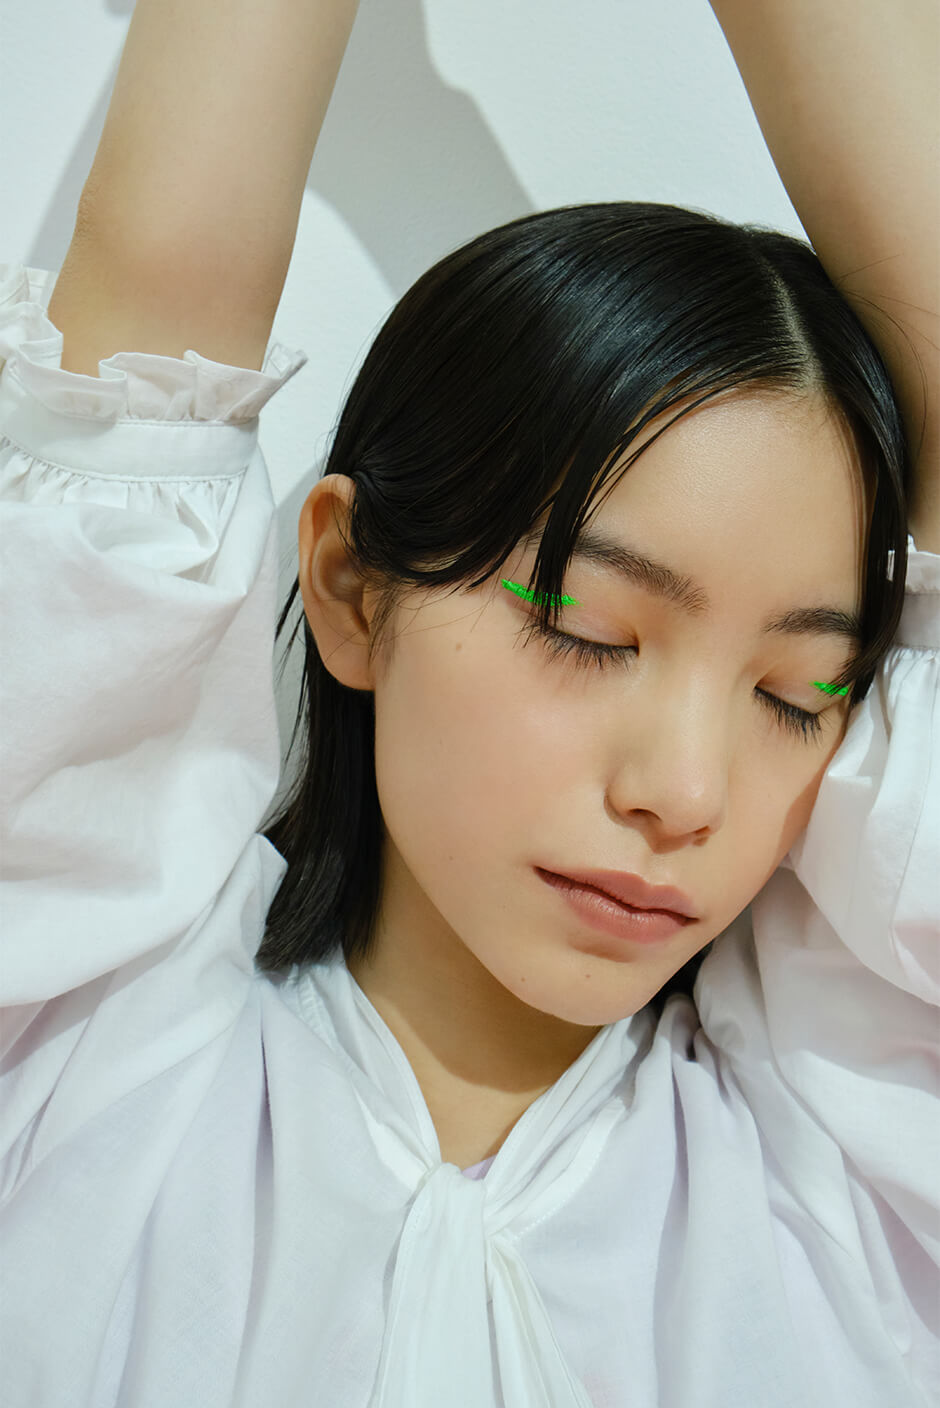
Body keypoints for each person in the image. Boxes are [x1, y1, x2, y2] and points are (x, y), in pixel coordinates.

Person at [0, 1, 936, 1404]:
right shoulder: (74, 1048)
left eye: (796, 695)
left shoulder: (862, 1185)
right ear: (351, 587)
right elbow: (127, 423)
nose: (686, 793)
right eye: (590, 630)